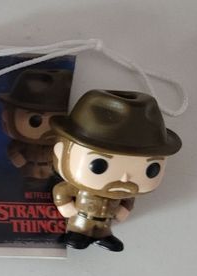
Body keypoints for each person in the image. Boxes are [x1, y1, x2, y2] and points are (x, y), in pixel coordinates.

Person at [50, 89, 181, 251]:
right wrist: (66, 207)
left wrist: (123, 210)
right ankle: (77, 234)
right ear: (60, 151)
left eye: (151, 169)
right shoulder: (78, 187)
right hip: (81, 217)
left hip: (106, 221)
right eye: (99, 165)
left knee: (103, 228)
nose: (125, 178)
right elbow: (61, 190)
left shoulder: (126, 194)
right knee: (81, 227)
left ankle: (103, 235)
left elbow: (128, 201)